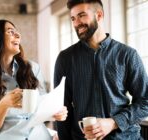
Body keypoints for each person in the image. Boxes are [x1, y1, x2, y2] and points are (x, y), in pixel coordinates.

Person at [54, 0, 148, 140]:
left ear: (99, 15)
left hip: (125, 137)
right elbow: (61, 107)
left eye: (82, 15)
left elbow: (145, 101)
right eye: (73, 18)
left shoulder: (127, 55)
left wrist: (114, 122)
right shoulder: (65, 58)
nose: (76, 23)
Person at [0, 19, 67, 140]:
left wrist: (56, 112)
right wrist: (3, 105)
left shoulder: (33, 68)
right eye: (10, 32)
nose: (18, 35)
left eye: (16, 32)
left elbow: (43, 106)